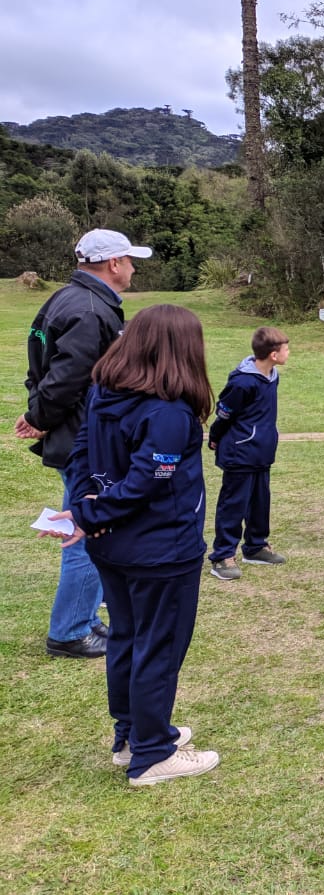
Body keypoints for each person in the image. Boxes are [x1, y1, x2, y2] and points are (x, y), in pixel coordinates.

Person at [50, 304, 221, 786]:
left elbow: (83, 451)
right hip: (160, 551)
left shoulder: (105, 392)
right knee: (157, 646)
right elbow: (148, 481)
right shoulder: (168, 412)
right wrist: (89, 510)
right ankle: (151, 754)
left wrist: (89, 510)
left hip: (115, 544)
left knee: (128, 637)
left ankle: (133, 735)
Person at [17, 228, 151, 659]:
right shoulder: (92, 309)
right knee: (87, 527)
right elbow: (67, 376)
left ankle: (86, 617)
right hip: (84, 440)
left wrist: (37, 410)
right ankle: (71, 631)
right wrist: (40, 416)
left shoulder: (66, 298)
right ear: (113, 263)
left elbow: (40, 364)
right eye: (129, 260)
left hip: (75, 433)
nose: (132, 268)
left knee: (89, 522)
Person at [207, 326, 289, 581]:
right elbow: (224, 413)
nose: (289, 352)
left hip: (262, 452)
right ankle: (222, 555)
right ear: (274, 354)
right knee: (234, 504)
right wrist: (215, 437)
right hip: (240, 451)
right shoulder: (243, 382)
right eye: (286, 348)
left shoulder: (272, 375)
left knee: (259, 501)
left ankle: (255, 547)